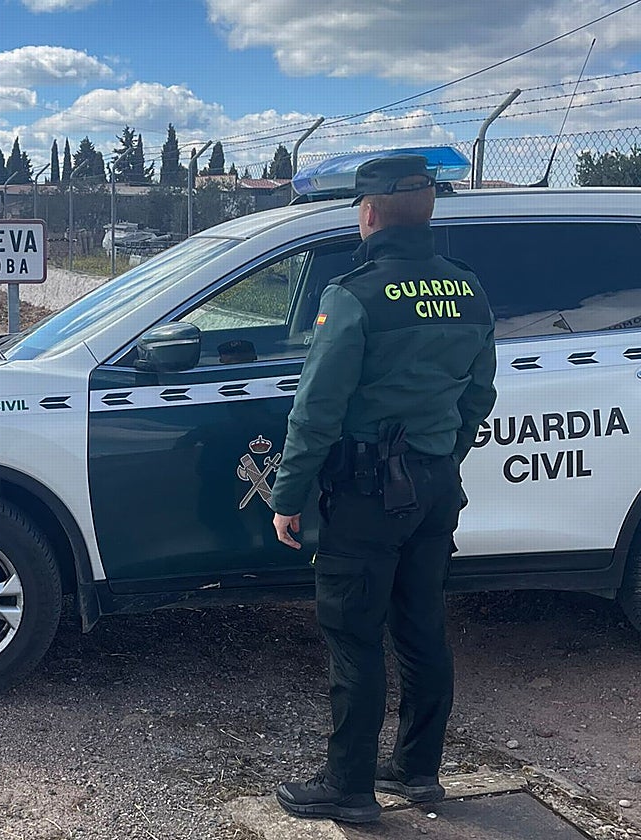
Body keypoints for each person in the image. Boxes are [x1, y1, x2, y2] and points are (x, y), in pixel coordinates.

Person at [268, 155, 497, 824]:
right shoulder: (469, 290)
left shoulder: (355, 295)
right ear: (427, 210)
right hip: (432, 484)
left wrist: (288, 496)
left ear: (367, 213)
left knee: (354, 634)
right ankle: (419, 771)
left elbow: (317, 408)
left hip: (367, 493)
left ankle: (348, 786)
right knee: (422, 627)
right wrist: (441, 457)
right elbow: (479, 394)